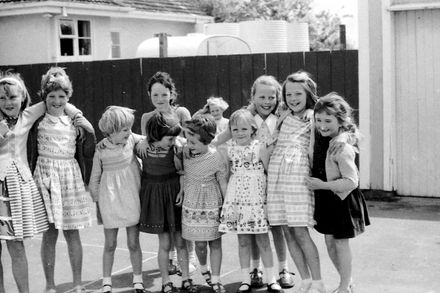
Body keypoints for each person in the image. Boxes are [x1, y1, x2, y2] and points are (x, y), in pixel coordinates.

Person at [0, 71, 82, 293]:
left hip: (15, 189)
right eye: (2, 98)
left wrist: (76, 114)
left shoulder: (28, 115)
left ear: (22, 97)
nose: (8, 102)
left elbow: (57, 100)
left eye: (12, 97)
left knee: (16, 245)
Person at [212, 75, 295, 289]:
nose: (266, 101)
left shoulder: (283, 116)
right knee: (253, 228)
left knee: (276, 228)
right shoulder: (246, 118)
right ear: (252, 97)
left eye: (271, 97)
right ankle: (255, 268)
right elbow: (220, 139)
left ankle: (283, 268)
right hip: (250, 184)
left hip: (276, 178)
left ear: (278, 98)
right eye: (261, 97)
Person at [28, 68, 95, 293]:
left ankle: (77, 283)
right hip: (45, 178)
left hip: (69, 179)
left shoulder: (74, 122)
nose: (56, 101)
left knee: (72, 232)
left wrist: (76, 115)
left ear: (68, 98)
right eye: (51, 96)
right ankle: (49, 285)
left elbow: (89, 140)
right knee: (49, 233)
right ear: (44, 97)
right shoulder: (38, 122)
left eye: (61, 97)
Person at [266, 71, 325, 293]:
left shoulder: (313, 115)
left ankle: (318, 281)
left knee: (300, 230)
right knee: (287, 230)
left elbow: (317, 144)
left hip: (297, 172)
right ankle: (305, 279)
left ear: (308, 93)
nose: (293, 98)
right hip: (277, 174)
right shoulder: (283, 114)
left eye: (298, 93)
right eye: (288, 94)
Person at [306, 93, 370, 293]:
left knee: (341, 244)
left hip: (341, 199)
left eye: (328, 121)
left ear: (339, 121)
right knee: (330, 243)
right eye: (319, 120)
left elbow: (352, 181)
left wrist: (322, 185)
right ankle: (347, 281)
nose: (322, 125)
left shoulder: (341, 146)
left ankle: (343, 287)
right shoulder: (321, 134)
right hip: (326, 198)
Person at [218, 109, 283, 293]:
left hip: (257, 200)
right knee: (243, 241)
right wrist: (226, 202)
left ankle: (271, 279)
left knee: (263, 240)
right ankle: (245, 279)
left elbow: (268, 173)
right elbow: (226, 173)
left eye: (244, 128)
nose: (240, 132)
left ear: (252, 128)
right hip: (237, 200)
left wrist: (267, 200)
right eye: (235, 129)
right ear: (230, 130)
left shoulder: (260, 147)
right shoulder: (228, 148)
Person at [139, 71, 196, 275]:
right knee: (165, 220)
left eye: (164, 94)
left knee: (181, 221)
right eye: (155, 95)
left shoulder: (181, 113)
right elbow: (148, 143)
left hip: (181, 172)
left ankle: (188, 258)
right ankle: (170, 259)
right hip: (160, 176)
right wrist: (145, 140)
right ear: (149, 96)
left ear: (171, 94)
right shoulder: (147, 117)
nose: (160, 99)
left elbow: (191, 139)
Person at [88, 106, 147, 293]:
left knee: (133, 243)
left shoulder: (131, 139)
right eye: (124, 129)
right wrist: (97, 203)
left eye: (130, 128)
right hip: (110, 201)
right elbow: (94, 180)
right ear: (111, 131)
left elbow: (148, 140)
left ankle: (138, 279)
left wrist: (145, 143)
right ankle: (107, 281)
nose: (129, 132)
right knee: (110, 244)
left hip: (131, 198)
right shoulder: (101, 150)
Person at [181, 115, 228, 293]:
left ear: (206, 141)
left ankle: (216, 279)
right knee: (200, 244)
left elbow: (222, 182)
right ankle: (203, 269)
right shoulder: (185, 152)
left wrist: (227, 206)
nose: (189, 144)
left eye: (193, 142)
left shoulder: (216, 157)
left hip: (211, 203)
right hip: (192, 202)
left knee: (215, 243)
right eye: (188, 140)